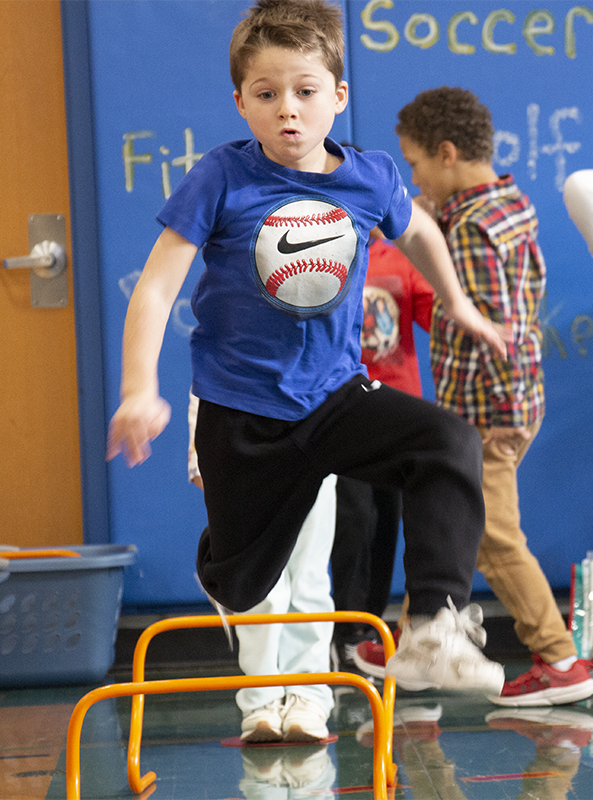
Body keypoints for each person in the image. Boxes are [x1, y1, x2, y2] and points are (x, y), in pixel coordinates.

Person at [106, 0, 508, 696]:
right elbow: (155, 288)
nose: (286, 110)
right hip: (243, 412)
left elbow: (417, 232)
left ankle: (433, 628)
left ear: (337, 97)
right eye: (265, 95)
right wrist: (139, 389)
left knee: (446, 443)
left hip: (333, 397)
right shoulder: (222, 178)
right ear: (240, 102)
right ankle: (225, 566)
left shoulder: (368, 175)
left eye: (304, 91)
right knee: (243, 577)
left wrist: (457, 301)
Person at [354, 86, 593, 707]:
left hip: (490, 412)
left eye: (414, 164)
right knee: (443, 512)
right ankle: (417, 640)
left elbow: (497, 329)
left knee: (489, 535)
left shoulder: (473, 230)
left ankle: (559, 657)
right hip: (497, 406)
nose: (413, 178)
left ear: (448, 153)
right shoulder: (509, 205)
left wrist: (496, 420)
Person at [188, 392, 337, 742]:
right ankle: (261, 699)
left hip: (313, 445)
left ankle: (309, 695)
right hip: (244, 454)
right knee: (257, 583)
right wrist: (199, 459)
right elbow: (207, 380)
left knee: (308, 579)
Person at [330, 228, 433, 672]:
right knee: (353, 515)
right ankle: (346, 628)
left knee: (389, 517)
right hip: (347, 403)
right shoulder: (327, 258)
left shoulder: (402, 259)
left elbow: (436, 316)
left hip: (400, 405)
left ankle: (372, 622)